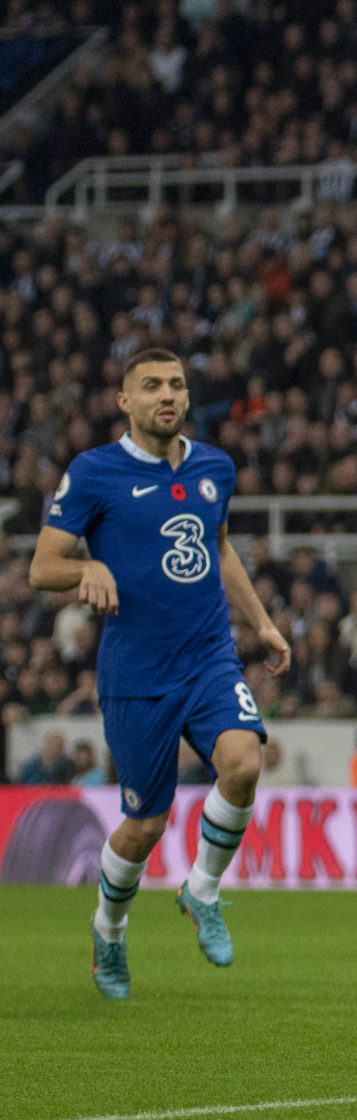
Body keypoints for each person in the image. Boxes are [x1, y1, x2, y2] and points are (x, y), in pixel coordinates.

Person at [30, 348, 291, 999]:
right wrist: (84, 569)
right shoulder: (94, 473)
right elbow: (42, 567)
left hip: (208, 655)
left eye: (175, 383)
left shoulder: (213, 466)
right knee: (145, 823)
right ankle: (109, 930)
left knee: (243, 762)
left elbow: (219, 545)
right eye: (151, 385)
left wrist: (259, 620)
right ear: (125, 400)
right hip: (136, 672)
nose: (166, 395)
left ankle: (201, 888)